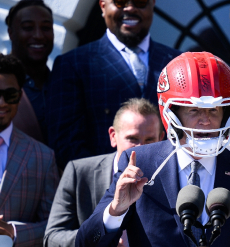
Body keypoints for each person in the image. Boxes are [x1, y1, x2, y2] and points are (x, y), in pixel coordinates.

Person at [75, 52, 230, 247]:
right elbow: (85, 242)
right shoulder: (139, 164)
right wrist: (116, 209)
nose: (206, 121)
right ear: (171, 112)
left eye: (215, 110)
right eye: (193, 110)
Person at [46, 0, 181, 170]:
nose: (130, 8)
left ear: (152, 5)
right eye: (120, 0)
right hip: (102, 191)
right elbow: (66, 144)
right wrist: (105, 187)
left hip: (169, 191)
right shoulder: (73, 65)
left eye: (140, 0)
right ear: (103, 6)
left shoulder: (178, 64)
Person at [44, 98, 164, 247]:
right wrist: (99, 236)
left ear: (161, 139)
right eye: (132, 139)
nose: (140, 147)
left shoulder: (170, 178)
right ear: (113, 136)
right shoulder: (79, 172)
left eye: (149, 140)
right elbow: (52, 238)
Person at [0, 54, 59, 246]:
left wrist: (14, 232)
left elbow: (54, 227)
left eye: (10, 95)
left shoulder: (42, 157)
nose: (2, 103)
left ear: (20, 95)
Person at [6, 0, 54, 143]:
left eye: (46, 28)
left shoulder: (63, 81)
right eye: (28, 28)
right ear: (11, 33)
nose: (39, 35)